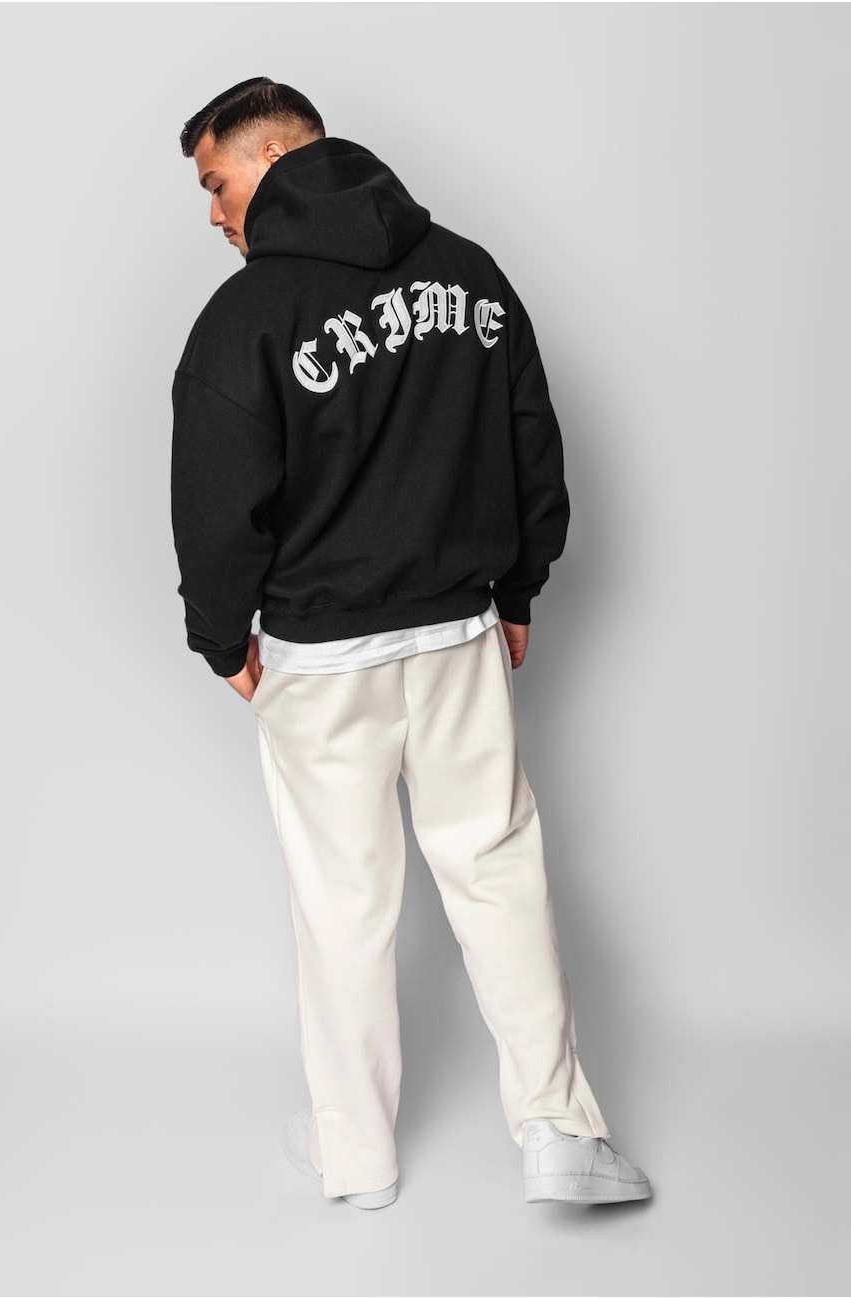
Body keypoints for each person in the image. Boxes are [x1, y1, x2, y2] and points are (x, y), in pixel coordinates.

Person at [170, 76, 651, 1211]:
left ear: (274, 158)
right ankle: (558, 1131)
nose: (213, 214)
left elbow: (216, 503)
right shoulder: (471, 275)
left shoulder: (248, 314)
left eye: (216, 183)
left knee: (342, 899)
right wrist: (519, 584)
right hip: (457, 635)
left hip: (320, 660)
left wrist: (220, 637)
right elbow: (533, 444)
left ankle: (358, 1158)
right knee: (497, 869)